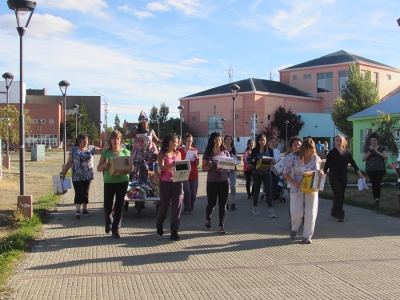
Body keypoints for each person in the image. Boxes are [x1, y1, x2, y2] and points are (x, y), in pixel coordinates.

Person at [282, 138, 323, 244]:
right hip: (297, 186)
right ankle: (294, 228)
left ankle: (307, 236)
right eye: (306, 150)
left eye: (310, 150)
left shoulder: (315, 158)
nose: (308, 153)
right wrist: (294, 182)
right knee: (297, 212)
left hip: (311, 187)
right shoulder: (293, 157)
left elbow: (318, 166)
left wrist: (320, 172)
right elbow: (285, 173)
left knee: (311, 212)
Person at [97, 130, 132, 238]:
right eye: (114, 139)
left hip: (123, 181)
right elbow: (98, 168)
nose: (116, 141)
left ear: (120, 140)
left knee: (119, 205)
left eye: (117, 139)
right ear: (110, 141)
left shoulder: (125, 152)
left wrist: (131, 167)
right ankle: (108, 222)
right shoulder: (105, 153)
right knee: (108, 205)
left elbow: (131, 166)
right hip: (109, 181)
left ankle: (116, 229)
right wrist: (105, 165)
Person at [122, 111, 162, 204]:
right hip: (138, 158)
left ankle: (151, 192)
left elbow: (157, 140)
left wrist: (167, 142)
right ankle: (136, 193)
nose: (143, 124)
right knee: (137, 176)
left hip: (149, 158)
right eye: (142, 122)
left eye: (145, 122)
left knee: (149, 176)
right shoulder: (136, 131)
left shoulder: (151, 131)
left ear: (148, 121)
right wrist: (117, 136)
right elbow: (126, 136)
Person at [324, 134, 364, 222]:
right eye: (337, 140)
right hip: (333, 175)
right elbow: (326, 165)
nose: (338, 142)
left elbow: (353, 164)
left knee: (341, 195)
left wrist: (360, 174)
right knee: (338, 194)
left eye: (340, 140)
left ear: (343, 142)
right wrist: (322, 176)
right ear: (334, 142)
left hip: (343, 175)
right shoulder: (331, 153)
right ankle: (340, 214)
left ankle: (334, 211)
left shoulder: (347, 153)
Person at [62, 134, 102, 219]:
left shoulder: (91, 148)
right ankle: (77, 210)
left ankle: (85, 209)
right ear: (79, 141)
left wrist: (107, 145)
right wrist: (64, 173)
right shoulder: (74, 150)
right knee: (78, 192)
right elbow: (69, 162)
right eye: (84, 140)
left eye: (87, 140)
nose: (86, 142)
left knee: (85, 192)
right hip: (77, 175)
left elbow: (101, 151)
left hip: (88, 175)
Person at [202, 132, 231, 233]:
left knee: (223, 204)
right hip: (212, 182)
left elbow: (229, 167)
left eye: (219, 140)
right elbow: (203, 168)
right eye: (216, 140)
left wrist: (228, 168)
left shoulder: (225, 152)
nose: (218, 142)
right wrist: (209, 166)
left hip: (224, 181)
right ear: (212, 141)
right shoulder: (208, 153)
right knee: (211, 203)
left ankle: (221, 225)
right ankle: (208, 218)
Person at [156, 133, 183, 241]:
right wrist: (171, 165)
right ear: (170, 142)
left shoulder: (178, 154)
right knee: (164, 206)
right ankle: (159, 222)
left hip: (177, 182)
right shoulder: (162, 154)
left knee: (177, 206)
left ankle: (174, 231)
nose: (177, 144)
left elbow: (180, 166)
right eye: (176, 142)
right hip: (165, 183)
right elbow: (162, 167)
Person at [250, 134, 276, 218]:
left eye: (263, 140)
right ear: (258, 141)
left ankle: (271, 210)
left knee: (268, 191)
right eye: (260, 140)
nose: (262, 142)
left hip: (266, 173)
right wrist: (253, 160)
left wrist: (273, 161)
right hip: (257, 173)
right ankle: (255, 208)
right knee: (256, 191)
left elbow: (272, 161)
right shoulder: (254, 150)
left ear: (266, 141)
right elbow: (251, 161)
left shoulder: (270, 151)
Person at [362, 132, 388, 206]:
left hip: (380, 169)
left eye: (375, 141)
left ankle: (377, 199)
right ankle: (375, 199)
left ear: (377, 141)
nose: (373, 142)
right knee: (373, 184)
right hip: (370, 169)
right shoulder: (367, 148)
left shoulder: (381, 148)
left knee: (377, 183)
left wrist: (378, 152)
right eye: (372, 141)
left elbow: (386, 157)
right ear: (370, 141)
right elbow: (363, 159)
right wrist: (368, 154)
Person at [178, 133, 199, 214]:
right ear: (184, 141)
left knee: (193, 192)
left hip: (193, 173)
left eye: (191, 141)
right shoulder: (180, 150)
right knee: (187, 190)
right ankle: (187, 207)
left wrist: (197, 159)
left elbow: (196, 164)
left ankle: (191, 207)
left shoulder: (194, 150)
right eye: (188, 141)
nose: (189, 143)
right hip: (184, 173)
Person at [224, 134, 238, 210]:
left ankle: (233, 203)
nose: (228, 141)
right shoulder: (222, 149)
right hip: (224, 170)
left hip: (233, 170)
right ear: (225, 140)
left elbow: (235, 160)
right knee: (225, 187)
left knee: (232, 187)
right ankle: (225, 203)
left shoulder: (234, 150)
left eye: (230, 139)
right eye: (227, 139)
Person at [268, 136, 281, 201]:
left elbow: (278, 160)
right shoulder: (267, 150)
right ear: (269, 142)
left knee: (276, 182)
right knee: (270, 183)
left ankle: (274, 196)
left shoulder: (278, 151)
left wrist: (275, 160)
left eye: (274, 141)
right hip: (269, 168)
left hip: (275, 169)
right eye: (271, 141)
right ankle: (270, 197)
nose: (273, 143)